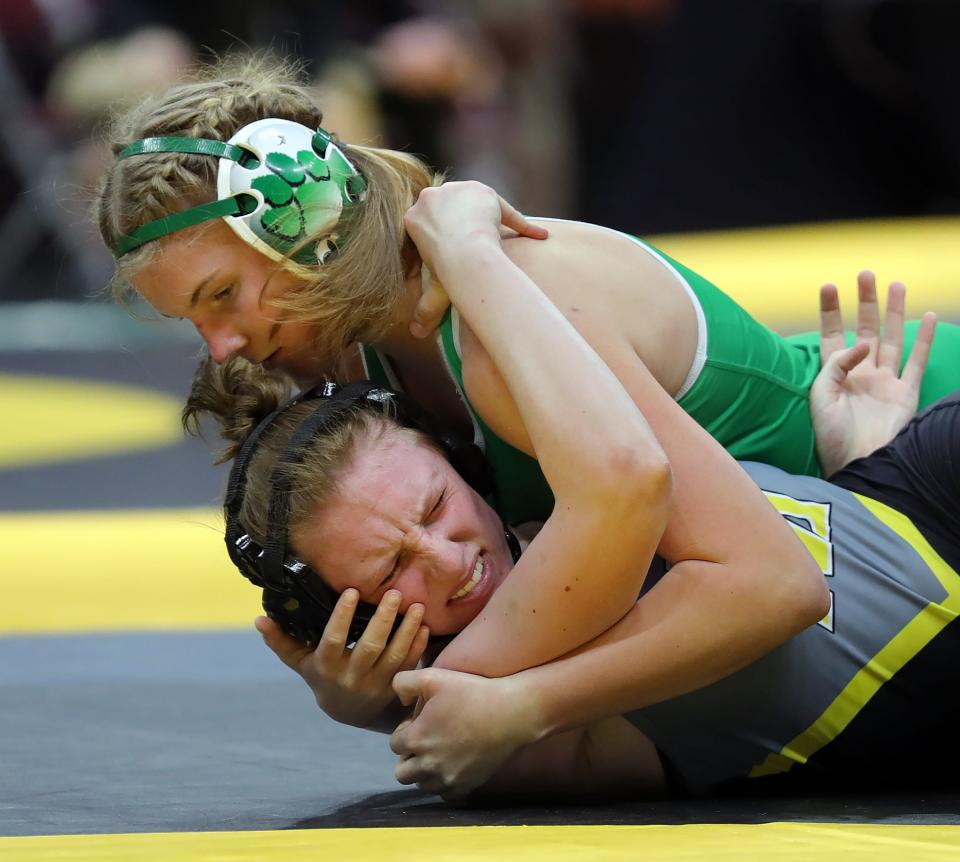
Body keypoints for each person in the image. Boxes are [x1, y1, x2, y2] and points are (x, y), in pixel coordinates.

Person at [198, 179, 944, 803]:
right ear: (343, 615)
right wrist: (400, 703)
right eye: (391, 572)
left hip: (902, 482)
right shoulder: (491, 724)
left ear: (460, 458)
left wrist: (857, 471)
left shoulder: (553, 468)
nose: (447, 558)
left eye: (434, 507)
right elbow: (781, 590)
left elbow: (779, 575)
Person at [95, 55, 960, 529]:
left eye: (220, 296)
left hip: (910, 423)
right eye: (192, 320)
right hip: (862, 513)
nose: (220, 348)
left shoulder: (496, 310)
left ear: (300, 214)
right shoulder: (368, 350)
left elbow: (745, 578)